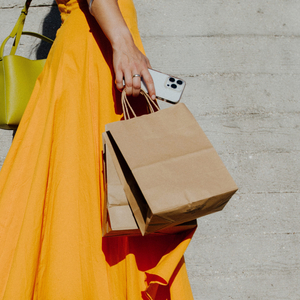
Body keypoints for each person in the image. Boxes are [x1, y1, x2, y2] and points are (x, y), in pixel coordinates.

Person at [0, 0, 195, 299]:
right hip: (97, 56)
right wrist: (123, 42)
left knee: (96, 199)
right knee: (92, 200)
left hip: (98, 54)